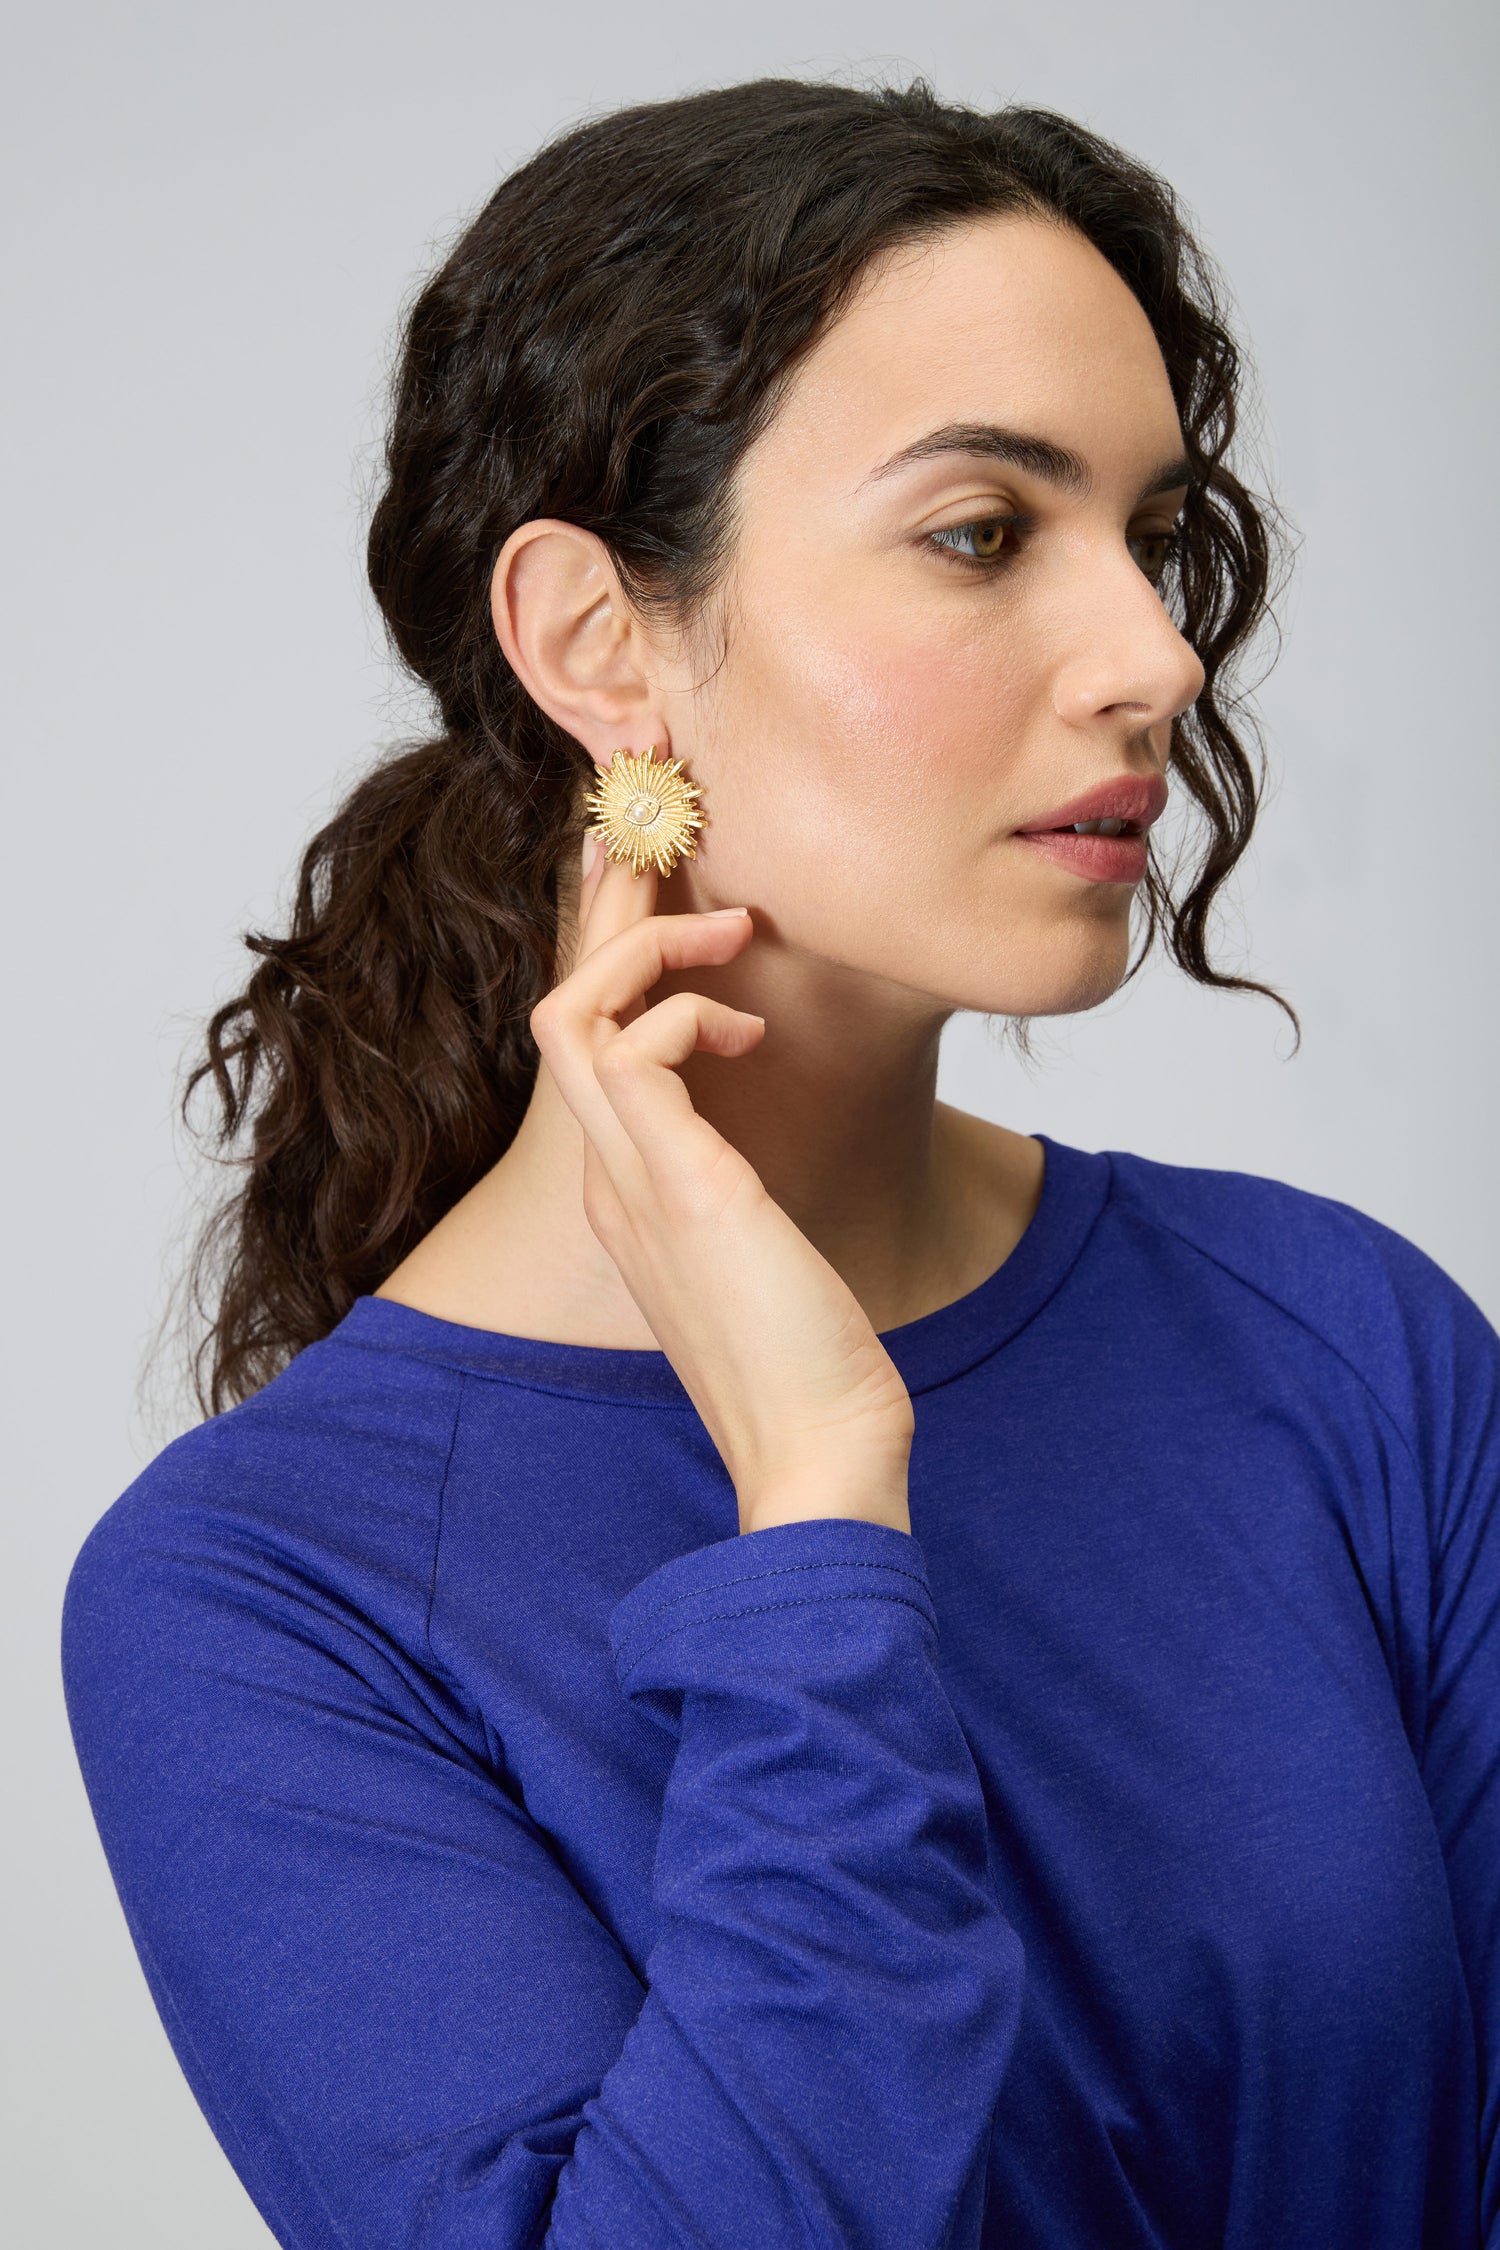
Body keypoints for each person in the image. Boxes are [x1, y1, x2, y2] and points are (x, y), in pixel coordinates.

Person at [60, 77, 1497, 2250]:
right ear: (598, 645)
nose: (1157, 657)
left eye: (1153, 536)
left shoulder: (1345, 1347)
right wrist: (821, 1501)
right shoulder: (263, 1600)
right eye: (985, 532)